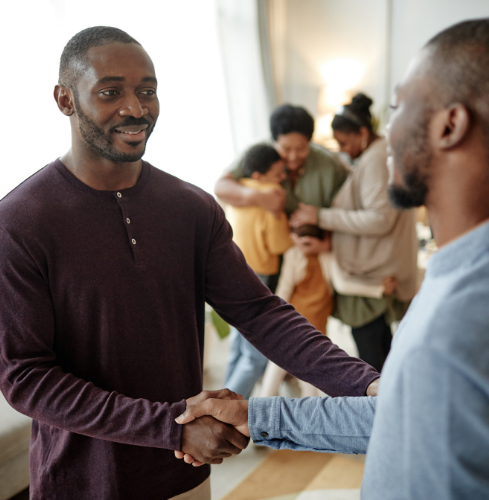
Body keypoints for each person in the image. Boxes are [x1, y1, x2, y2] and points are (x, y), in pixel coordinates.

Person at [0, 27, 380, 500]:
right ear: (65, 99)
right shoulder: (16, 223)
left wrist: (367, 385)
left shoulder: (191, 207)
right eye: (111, 91)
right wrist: (171, 428)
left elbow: (260, 313)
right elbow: (26, 378)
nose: (136, 108)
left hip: (187, 475)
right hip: (83, 482)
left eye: (147, 91)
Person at [175, 18, 489, 499]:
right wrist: (254, 416)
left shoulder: (462, 319)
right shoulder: (455, 281)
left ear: (451, 125)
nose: (383, 137)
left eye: (397, 106)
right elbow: (396, 419)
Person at [290, 93, 417, 372]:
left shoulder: (375, 160)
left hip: (372, 277)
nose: (343, 150)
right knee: (380, 352)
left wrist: (320, 216)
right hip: (370, 272)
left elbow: (380, 219)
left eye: (345, 143)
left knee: (375, 360)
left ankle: (379, 411)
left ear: (362, 133)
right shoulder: (373, 156)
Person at [261, 225, 396, 398]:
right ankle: (257, 420)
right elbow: (283, 292)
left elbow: (343, 285)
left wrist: (378, 288)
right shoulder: (294, 255)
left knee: (304, 385)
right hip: (293, 329)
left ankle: (299, 421)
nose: (304, 244)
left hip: (312, 332)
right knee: (279, 381)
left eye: (308, 241)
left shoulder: (327, 257)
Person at [224, 144, 293, 399]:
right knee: (255, 356)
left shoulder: (240, 190)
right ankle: (224, 414)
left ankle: (221, 397)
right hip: (259, 277)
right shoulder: (272, 194)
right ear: (259, 176)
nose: (282, 177)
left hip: (232, 270)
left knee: (238, 346)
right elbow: (279, 244)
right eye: (278, 173)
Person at [214, 104, 349, 220]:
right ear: (274, 142)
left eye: (301, 148)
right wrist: (258, 197)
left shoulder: (329, 164)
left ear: (310, 142)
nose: (293, 156)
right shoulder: (258, 153)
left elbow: (342, 212)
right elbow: (221, 186)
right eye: (286, 148)